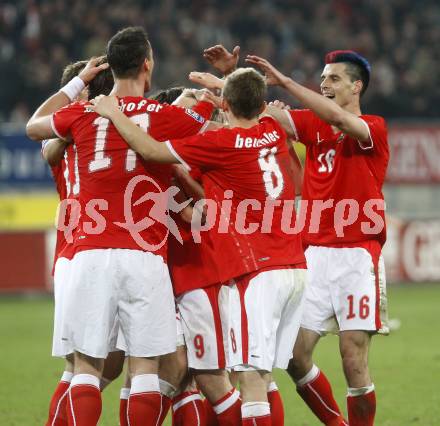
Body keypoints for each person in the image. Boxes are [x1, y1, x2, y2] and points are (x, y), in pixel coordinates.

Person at [90, 66, 307, 426]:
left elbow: (158, 154)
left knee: (226, 379)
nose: (200, 111)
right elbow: (251, 110)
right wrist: (227, 83)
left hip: (222, 276)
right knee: (212, 376)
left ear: (225, 103)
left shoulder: (209, 151)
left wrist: (113, 113)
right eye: (189, 106)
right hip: (279, 265)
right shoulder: (268, 129)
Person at [26, 26, 215, 426]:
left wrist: (79, 81)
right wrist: (220, 85)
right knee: (145, 371)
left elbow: (33, 126)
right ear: (148, 64)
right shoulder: (168, 117)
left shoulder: (81, 112)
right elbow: (213, 112)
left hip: (86, 253)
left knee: (84, 371)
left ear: (107, 66)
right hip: (143, 256)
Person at [243, 51, 389, 426]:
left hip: (357, 255)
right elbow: (256, 111)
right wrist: (234, 76)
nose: (325, 84)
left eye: (334, 79)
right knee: (293, 354)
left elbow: (341, 118)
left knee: (352, 359)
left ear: (357, 86)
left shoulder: (373, 127)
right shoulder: (313, 124)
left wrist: (289, 83)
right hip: (314, 254)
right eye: (323, 78)